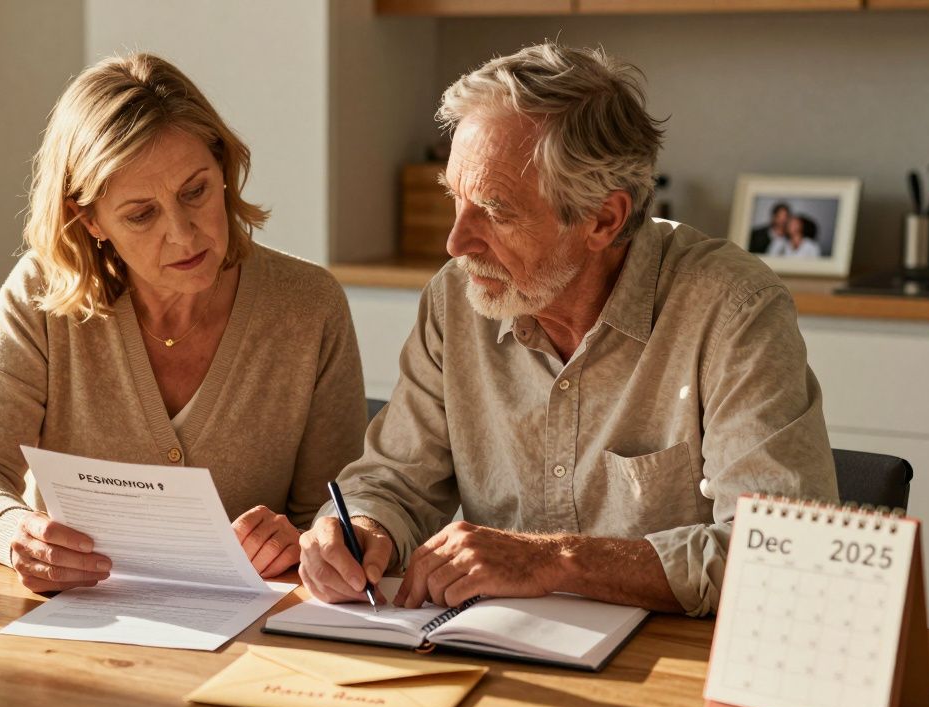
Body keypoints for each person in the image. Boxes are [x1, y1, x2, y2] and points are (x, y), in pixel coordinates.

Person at [298, 43, 837, 618]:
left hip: (673, 669)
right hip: (491, 651)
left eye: (495, 211)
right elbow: (394, 481)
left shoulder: (732, 310)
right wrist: (359, 527)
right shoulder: (456, 299)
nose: (456, 244)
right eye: (454, 199)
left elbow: (784, 554)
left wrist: (555, 559)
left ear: (603, 219)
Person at [0, 53, 367, 594]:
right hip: (77, 624)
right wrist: (14, 532)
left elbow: (343, 509)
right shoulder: (41, 296)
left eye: (195, 192)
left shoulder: (308, 305)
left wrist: (303, 540)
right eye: (141, 214)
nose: (184, 235)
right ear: (89, 220)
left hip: (253, 633)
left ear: (223, 170)